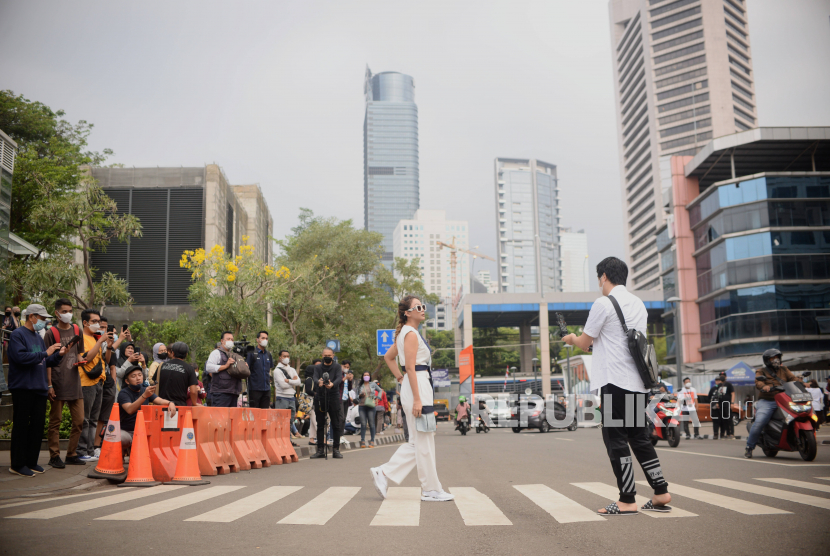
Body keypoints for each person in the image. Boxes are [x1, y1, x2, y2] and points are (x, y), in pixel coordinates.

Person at [563, 257, 671, 515]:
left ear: (603, 277)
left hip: (614, 383)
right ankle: (660, 491)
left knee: (616, 440)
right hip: (637, 384)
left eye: (599, 278)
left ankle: (627, 499)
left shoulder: (603, 303)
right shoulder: (638, 303)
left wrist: (570, 338)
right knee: (639, 438)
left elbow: (585, 343)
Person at [371, 295, 454, 502]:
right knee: (424, 440)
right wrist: (417, 397)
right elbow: (409, 366)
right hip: (418, 384)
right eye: (418, 307)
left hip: (413, 383)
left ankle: (384, 472)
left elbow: (390, 358)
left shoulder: (407, 333)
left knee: (418, 441)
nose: (422, 309)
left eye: (423, 306)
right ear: (407, 312)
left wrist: (400, 378)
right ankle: (431, 489)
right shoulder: (409, 334)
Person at [7, 304, 67, 476]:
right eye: (41, 318)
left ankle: (31, 462)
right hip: (23, 387)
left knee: (37, 426)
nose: (44, 322)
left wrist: (58, 355)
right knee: (21, 426)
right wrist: (46, 353)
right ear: (31, 316)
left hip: (39, 388)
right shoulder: (18, 334)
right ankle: (17, 464)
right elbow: (20, 358)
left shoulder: (38, 337)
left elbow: (44, 361)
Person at [44, 299, 85, 468]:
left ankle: (71, 453)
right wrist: (49, 385)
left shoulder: (77, 330)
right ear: (57, 313)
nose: (68, 314)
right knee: (56, 421)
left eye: (70, 310)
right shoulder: (50, 333)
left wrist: (81, 360)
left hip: (75, 382)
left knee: (79, 420)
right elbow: (46, 361)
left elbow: (79, 353)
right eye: (64, 311)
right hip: (57, 382)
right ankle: (54, 456)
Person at [745, 348, 797, 458]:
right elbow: (758, 382)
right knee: (759, 422)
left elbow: (793, 379)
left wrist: (803, 384)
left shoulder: (784, 369)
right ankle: (749, 447)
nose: (776, 360)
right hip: (768, 400)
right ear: (767, 360)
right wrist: (764, 386)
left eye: (777, 357)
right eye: (773, 358)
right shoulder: (761, 371)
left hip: (785, 400)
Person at [118, 365, 176, 453]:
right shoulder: (123, 393)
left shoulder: (145, 390)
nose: (138, 378)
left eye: (140, 375)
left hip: (142, 430)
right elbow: (129, 409)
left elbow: (160, 401)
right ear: (127, 381)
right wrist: (144, 396)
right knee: (120, 438)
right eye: (133, 376)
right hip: (126, 430)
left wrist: (170, 403)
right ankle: (124, 451)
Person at [77, 309, 109, 462]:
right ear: (85, 322)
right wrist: (100, 342)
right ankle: (81, 450)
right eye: (94, 321)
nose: (98, 324)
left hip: (99, 382)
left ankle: (89, 451)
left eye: (98, 321)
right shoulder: (81, 338)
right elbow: (86, 358)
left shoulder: (95, 338)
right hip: (86, 382)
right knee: (85, 418)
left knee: (93, 420)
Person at [309, 347, 343, 459]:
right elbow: (314, 377)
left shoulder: (337, 367)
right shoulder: (318, 367)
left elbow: (339, 378)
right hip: (320, 397)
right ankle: (320, 450)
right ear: (322, 356)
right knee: (320, 424)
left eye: (329, 355)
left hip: (333, 397)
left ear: (333, 356)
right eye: (325, 355)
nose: (327, 357)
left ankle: (336, 450)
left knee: (336, 424)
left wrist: (333, 384)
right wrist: (318, 382)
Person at [205, 332, 242, 407]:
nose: (230, 341)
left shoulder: (234, 355)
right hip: (220, 393)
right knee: (220, 418)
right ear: (222, 341)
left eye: (232, 339)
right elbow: (208, 367)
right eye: (228, 339)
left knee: (231, 418)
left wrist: (242, 366)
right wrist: (225, 366)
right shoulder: (216, 353)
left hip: (233, 392)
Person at [156, 342, 199, 406]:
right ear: (186, 354)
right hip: (180, 407)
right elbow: (193, 391)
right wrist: (194, 403)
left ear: (172, 353)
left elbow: (154, 384)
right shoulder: (189, 369)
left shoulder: (161, 366)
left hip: (162, 405)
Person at [273, 349, 301, 436]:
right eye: (284, 356)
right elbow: (283, 385)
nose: (286, 358)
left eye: (287, 356)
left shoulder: (292, 369)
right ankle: (281, 441)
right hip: (282, 398)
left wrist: (288, 381)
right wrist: (293, 381)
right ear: (280, 358)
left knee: (290, 422)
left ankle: (288, 441)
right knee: (281, 422)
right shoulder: (277, 371)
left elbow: (299, 382)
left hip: (291, 398)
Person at [246, 331, 273, 409]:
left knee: (264, 414)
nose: (265, 340)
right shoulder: (252, 353)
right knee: (255, 413)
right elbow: (246, 368)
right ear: (257, 340)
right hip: (254, 389)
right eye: (263, 338)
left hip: (266, 389)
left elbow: (269, 370)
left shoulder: (268, 354)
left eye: (266, 338)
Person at [357, 371, 378, 448]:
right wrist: (360, 395)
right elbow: (356, 396)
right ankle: (362, 440)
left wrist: (377, 398)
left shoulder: (373, 384)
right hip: (362, 406)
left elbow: (380, 390)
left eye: (367, 375)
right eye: (364, 375)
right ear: (362, 376)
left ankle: (372, 440)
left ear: (370, 376)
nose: (366, 376)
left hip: (371, 406)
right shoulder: (360, 385)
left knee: (371, 424)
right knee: (363, 424)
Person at [303, 359, 321, 446]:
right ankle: (322, 438)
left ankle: (311, 439)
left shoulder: (310, 379)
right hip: (312, 403)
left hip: (311, 403)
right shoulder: (309, 379)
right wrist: (316, 393)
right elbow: (308, 390)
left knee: (313, 423)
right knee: (316, 422)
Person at [718, 372, 736, 438]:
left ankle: (732, 433)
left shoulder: (729, 384)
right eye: (721, 376)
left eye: (723, 376)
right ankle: (727, 433)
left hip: (727, 404)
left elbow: (733, 393)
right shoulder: (719, 385)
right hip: (721, 405)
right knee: (724, 419)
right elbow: (718, 395)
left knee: (729, 419)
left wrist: (732, 403)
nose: (722, 377)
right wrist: (717, 403)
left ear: (726, 377)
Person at [339, 360, 354, 438]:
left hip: (346, 398)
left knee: (344, 418)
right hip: (339, 398)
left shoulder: (347, 375)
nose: (346, 368)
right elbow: (336, 383)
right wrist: (345, 378)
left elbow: (349, 388)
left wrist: (350, 380)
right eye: (345, 366)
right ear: (341, 366)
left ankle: (341, 435)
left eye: (348, 367)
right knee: (340, 417)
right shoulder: (339, 374)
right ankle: (338, 435)